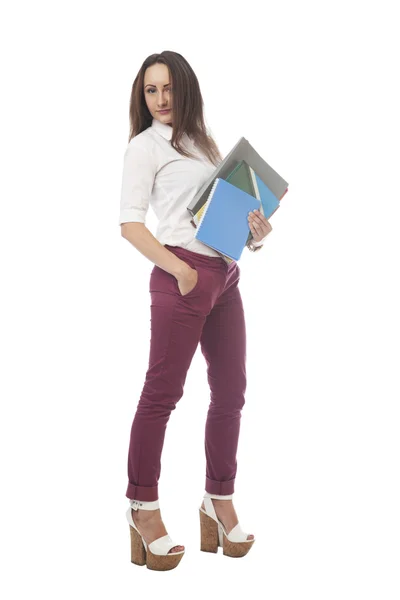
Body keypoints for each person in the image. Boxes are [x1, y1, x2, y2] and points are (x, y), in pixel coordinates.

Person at [119, 51, 272, 571]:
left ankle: (218, 499)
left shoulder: (203, 143)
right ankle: (142, 505)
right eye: (150, 91)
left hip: (225, 274)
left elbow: (215, 220)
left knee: (232, 392)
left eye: (168, 89)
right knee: (162, 393)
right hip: (180, 275)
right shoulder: (144, 148)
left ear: (185, 89)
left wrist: (253, 236)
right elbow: (131, 224)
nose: (161, 100)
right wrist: (180, 272)